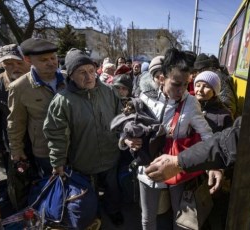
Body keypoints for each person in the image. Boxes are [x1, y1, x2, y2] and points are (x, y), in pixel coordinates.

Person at [125, 48, 216, 230]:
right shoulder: (144, 98)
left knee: (181, 219)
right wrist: (127, 140)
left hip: (177, 167)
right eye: (176, 84)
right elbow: (128, 128)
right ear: (161, 78)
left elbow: (207, 134)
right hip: (148, 167)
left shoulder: (191, 103)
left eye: (185, 84)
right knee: (147, 218)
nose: (181, 90)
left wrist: (213, 163)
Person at [43, 48, 124, 226]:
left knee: (112, 188)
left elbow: (120, 119)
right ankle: (93, 218)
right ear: (70, 75)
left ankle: (114, 211)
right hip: (83, 162)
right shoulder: (62, 101)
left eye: (91, 71)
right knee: (88, 195)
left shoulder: (109, 92)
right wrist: (57, 162)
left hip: (110, 156)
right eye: (82, 72)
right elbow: (55, 134)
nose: (88, 77)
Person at [7, 38, 65, 177]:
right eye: (44, 60)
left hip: (75, 146)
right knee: (54, 188)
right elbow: (15, 122)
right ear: (28, 60)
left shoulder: (69, 79)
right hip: (45, 150)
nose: (51, 62)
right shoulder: (19, 87)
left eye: (53, 58)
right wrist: (16, 150)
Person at [194, 70, 234, 229]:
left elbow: (228, 144)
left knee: (213, 203)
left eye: (206, 87)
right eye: (197, 85)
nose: (200, 90)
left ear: (215, 91)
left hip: (212, 166)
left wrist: (222, 168)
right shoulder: (190, 106)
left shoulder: (223, 114)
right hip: (193, 165)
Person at [0, 44, 30, 178]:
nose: (15, 67)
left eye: (18, 62)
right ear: (1, 64)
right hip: (12, 145)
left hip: (40, 143)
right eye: (8, 63)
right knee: (19, 182)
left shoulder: (38, 79)